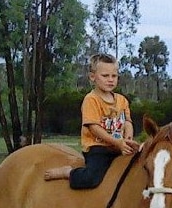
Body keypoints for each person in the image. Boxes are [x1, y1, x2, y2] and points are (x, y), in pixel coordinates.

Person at [44, 53, 140, 187]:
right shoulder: (91, 100)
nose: (110, 80)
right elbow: (94, 128)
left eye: (114, 76)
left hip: (118, 147)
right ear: (93, 77)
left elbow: (127, 122)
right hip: (98, 148)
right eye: (105, 76)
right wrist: (117, 142)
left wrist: (128, 139)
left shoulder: (122, 100)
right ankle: (70, 173)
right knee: (92, 177)